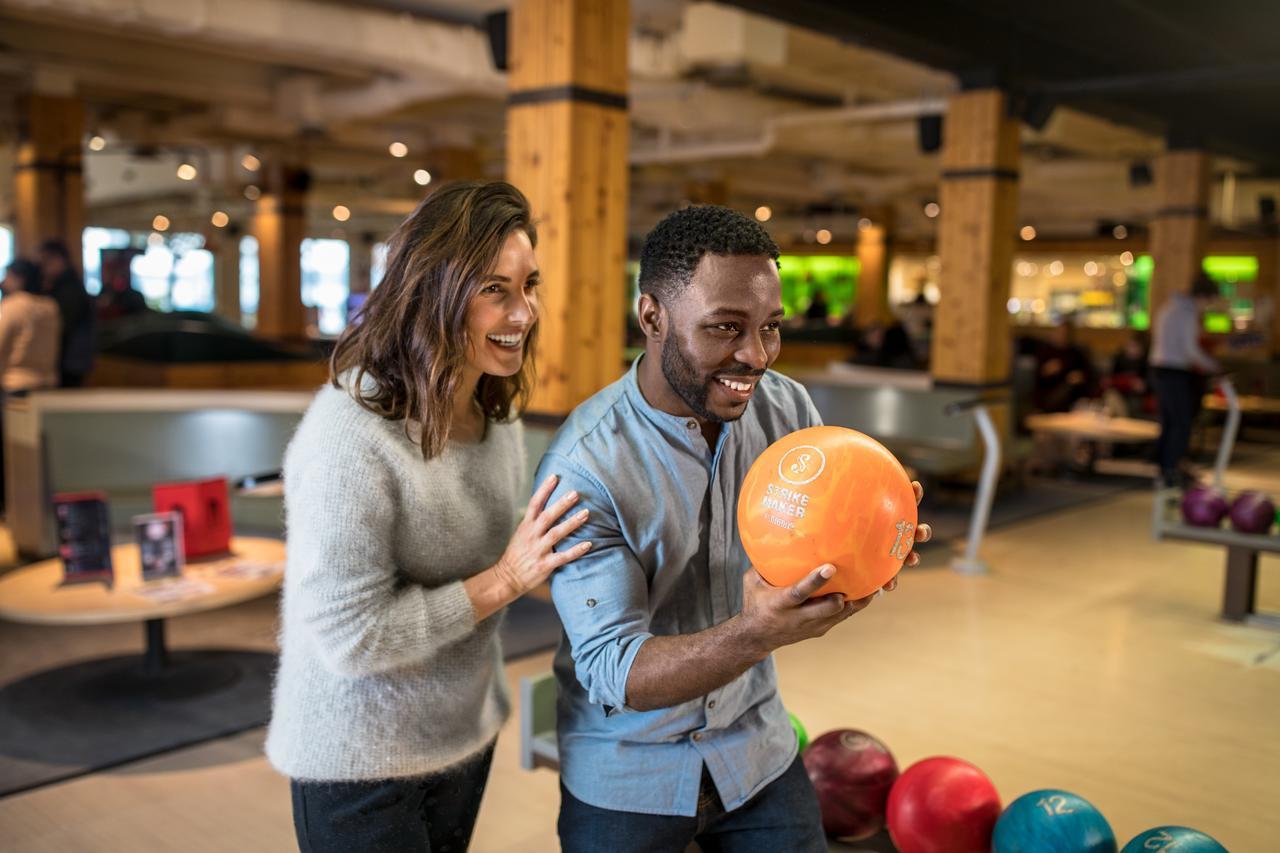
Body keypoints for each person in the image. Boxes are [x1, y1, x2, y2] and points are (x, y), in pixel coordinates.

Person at [535, 205, 931, 852]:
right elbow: (614, 669)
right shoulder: (585, 465)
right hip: (627, 772)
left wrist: (875, 531)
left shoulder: (787, 407)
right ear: (651, 316)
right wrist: (755, 633)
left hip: (756, 749)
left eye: (770, 328)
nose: (755, 356)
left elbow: (826, 522)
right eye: (725, 328)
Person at [265, 181, 592, 852]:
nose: (523, 312)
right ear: (431, 294)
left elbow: (510, 546)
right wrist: (505, 578)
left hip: (461, 734)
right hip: (359, 760)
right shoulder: (349, 435)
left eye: (529, 285)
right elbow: (351, 638)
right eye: (494, 289)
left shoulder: (495, 416)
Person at [0, 258, 62, 514]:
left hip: (15, 387)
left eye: (9, 276)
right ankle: (39, 513)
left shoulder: (14, 306)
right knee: (41, 459)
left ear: (20, 278)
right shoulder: (49, 306)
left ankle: (14, 513)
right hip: (46, 388)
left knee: (15, 457)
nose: (4, 281)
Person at [1150, 273, 1220, 487]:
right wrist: (1214, 366)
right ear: (1203, 296)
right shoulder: (1186, 313)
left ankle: (1164, 468)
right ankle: (1170, 470)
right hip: (1174, 371)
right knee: (1181, 422)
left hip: (1158, 368)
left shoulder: (1168, 307)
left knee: (1170, 421)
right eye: (1209, 301)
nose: (1208, 306)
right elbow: (1191, 350)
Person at [38, 240, 95, 387]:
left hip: (70, 360)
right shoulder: (68, 285)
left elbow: (63, 325)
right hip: (72, 360)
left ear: (59, 259)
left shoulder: (69, 289)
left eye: (45, 262)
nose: (43, 268)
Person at [1031, 321, 1095, 413]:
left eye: (1066, 334)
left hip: (1074, 392)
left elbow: (1088, 373)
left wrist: (1079, 376)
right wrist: (1046, 371)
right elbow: (1037, 378)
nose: (1063, 336)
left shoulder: (1076, 353)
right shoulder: (1045, 351)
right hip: (1050, 394)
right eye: (1060, 333)